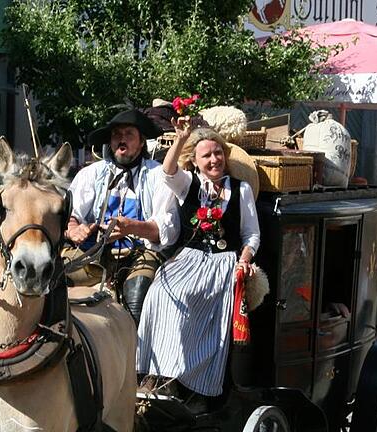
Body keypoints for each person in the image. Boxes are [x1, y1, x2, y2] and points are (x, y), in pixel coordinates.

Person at [136, 120, 260, 411]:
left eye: (218, 153)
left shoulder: (240, 190)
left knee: (201, 302)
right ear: (195, 160)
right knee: (159, 294)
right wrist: (180, 139)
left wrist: (244, 260)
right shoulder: (189, 183)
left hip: (223, 262)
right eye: (207, 155)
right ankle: (157, 375)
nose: (215, 159)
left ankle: (196, 387)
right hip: (188, 259)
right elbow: (167, 171)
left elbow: (251, 234)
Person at [65, 108, 178, 324]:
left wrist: (132, 227)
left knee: (136, 298)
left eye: (128, 134)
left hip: (138, 255)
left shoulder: (158, 175)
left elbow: (167, 231)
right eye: (117, 134)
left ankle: (134, 353)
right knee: (51, 278)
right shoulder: (90, 174)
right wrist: (74, 229)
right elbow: (69, 216)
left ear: (142, 141)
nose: (121, 139)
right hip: (92, 254)